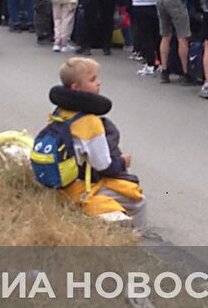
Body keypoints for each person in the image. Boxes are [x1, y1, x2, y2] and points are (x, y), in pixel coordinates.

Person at [44, 57, 145, 225]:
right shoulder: (90, 122)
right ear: (76, 88)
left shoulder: (60, 113)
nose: (99, 82)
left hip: (58, 180)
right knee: (138, 201)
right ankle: (136, 242)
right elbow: (103, 165)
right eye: (92, 79)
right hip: (80, 187)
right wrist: (122, 162)